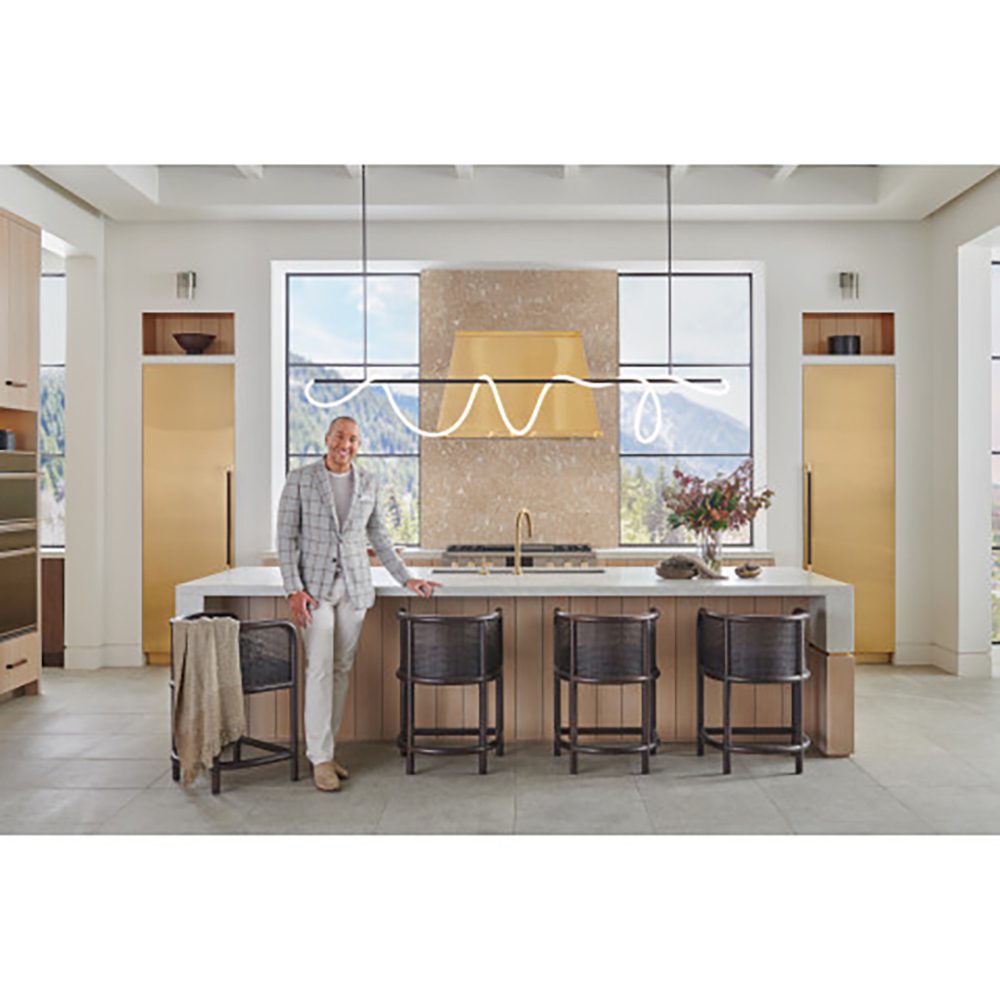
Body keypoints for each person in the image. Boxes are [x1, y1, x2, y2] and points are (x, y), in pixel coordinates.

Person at [277, 415, 440, 791]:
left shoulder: (368, 482)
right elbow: (285, 538)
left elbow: (379, 535)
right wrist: (293, 589)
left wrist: (406, 578)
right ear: (327, 438)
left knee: (340, 669)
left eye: (352, 439)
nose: (345, 445)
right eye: (339, 436)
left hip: (355, 590)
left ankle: (327, 752)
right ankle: (319, 759)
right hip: (314, 592)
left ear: (358, 445)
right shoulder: (300, 479)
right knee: (319, 668)